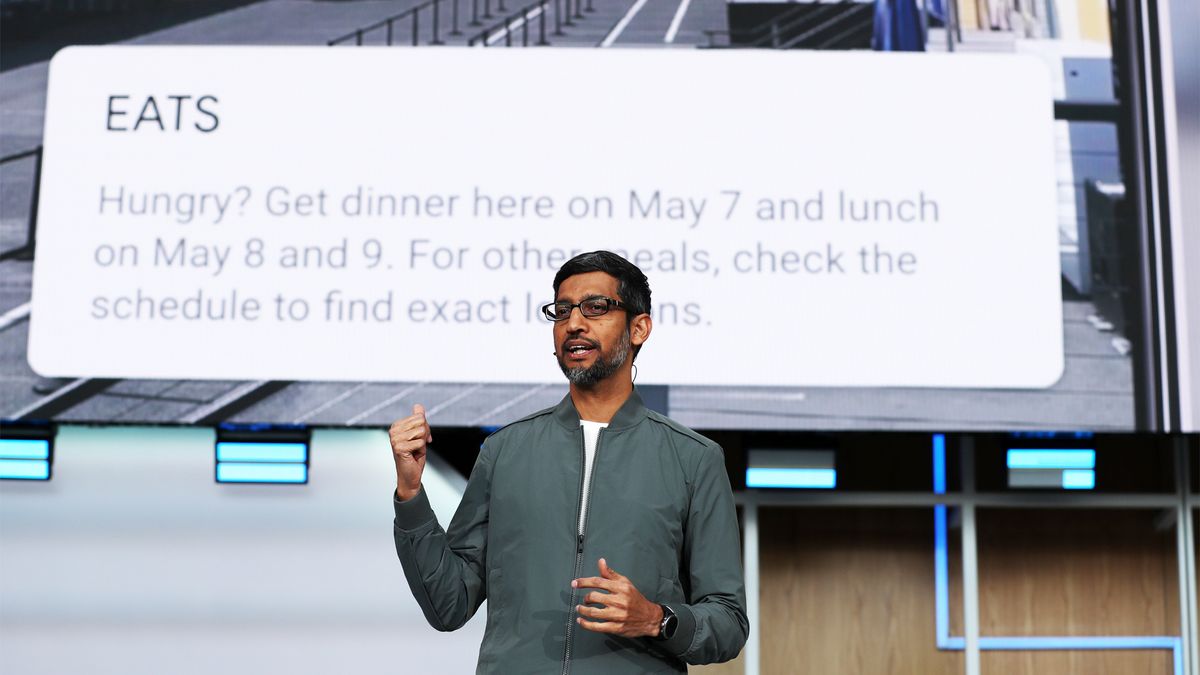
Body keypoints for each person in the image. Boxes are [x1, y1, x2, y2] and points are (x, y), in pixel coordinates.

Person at [388, 250, 748, 674]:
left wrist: (656, 618)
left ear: (639, 328)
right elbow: (448, 605)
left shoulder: (694, 459)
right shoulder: (505, 450)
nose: (574, 323)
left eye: (596, 308)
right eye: (562, 311)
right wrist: (411, 493)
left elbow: (728, 621)